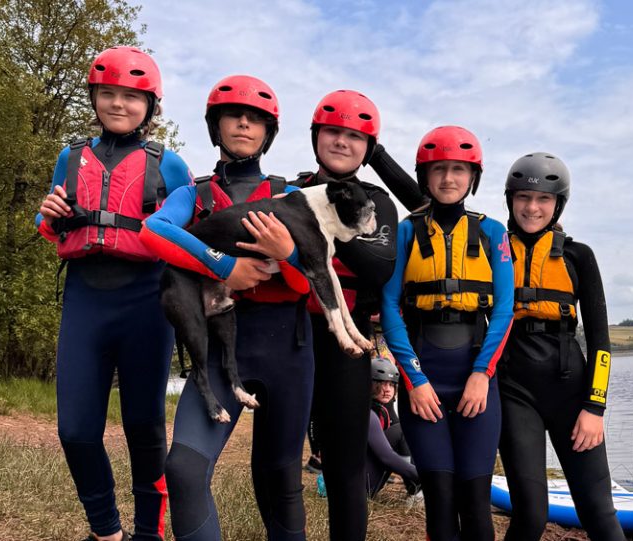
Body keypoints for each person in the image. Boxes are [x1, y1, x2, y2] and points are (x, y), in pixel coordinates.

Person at [139, 75, 313, 541]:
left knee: (280, 479)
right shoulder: (193, 195)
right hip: (218, 349)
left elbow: (306, 282)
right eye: (233, 115)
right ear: (216, 126)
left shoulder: (291, 195)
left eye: (255, 118)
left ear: (267, 132)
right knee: (183, 470)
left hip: (288, 351)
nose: (243, 123)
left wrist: (290, 254)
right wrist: (224, 267)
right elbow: (153, 232)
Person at [36, 46, 193, 541]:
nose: (119, 104)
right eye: (108, 93)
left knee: (144, 428)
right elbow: (50, 223)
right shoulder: (70, 156)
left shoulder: (170, 166)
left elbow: (192, 237)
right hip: (86, 297)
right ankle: (106, 532)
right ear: (95, 96)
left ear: (151, 104)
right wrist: (48, 215)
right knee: (76, 430)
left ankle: (149, 533)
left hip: (147, 301)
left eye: (131, 96)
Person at [380, 126, 514, 541]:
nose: (448, 179)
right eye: (438, 170)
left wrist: (482, 374)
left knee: (474, 498)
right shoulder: (406, 230)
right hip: (425, 378)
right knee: (439, 495)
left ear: (472, 176)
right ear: (425, 176)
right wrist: (415, 380)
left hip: (476, 377)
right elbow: (390, 306)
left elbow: (506, 310)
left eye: (458, 169)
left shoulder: (493, 232)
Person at [497, 152, 626, 541]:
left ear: (558, 204)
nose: (532, 208)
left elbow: (601, 343)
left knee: (599, 512)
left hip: (571, 390)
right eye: (523, 197)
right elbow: (428, 201)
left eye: (543, 200)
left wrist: (594, 407)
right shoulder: (493, 250)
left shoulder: (578, 256)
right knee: (531, 516)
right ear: (510, 200)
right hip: (514, 390)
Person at [292, 89, 399, 541]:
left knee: (345, 464)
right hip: (289, 334)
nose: (342, 142)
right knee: (280, 460)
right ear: (317, 136)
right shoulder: (289, 193)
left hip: (346, 343)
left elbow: (381, 265)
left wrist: (328, 222)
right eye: (333, 132)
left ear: (368, 149)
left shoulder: (379, 202)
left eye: (355, 136)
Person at [365, 357, 420, 499]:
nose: (387, 390)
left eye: (391, 384)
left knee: (405, 429)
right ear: (369, 384)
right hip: (357, 487)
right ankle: (416, 489)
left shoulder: (381, 408)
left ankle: (415, 489)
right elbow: (386, 456)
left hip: (364, 481)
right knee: (402, 431)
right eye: (381, 384)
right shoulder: (366, 413)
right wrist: (426, 476)